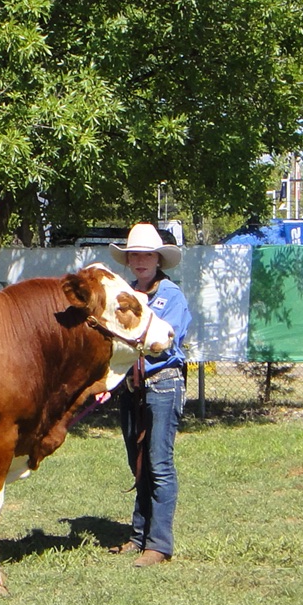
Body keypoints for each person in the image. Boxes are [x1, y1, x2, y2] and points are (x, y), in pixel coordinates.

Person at [100, 222, 193, 567]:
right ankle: (139, 536)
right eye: (134, 255)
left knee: (159, 462)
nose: (140, 261)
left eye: (146, 255)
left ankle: (159, 544)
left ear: (158, 259)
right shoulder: (126, 297)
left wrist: (129, 342)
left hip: (163, 383)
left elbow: (163, 340)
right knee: (138, 463)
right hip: (131, 386)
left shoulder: (171, 296)